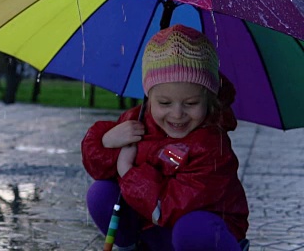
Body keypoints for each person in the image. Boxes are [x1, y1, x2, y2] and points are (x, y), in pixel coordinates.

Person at [81, 24, 249, 251]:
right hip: (150, 228)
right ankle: (131, 246)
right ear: (149, 96)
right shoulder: (137, 120)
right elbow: (98, 168)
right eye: (164, 103)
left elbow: (171, 207)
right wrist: (106, 142)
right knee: (101, 193)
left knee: (193, 229)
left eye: (190, 104)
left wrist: (127, 170)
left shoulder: (212, 146)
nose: (177, 114)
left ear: (209, 99)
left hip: (199, 231)